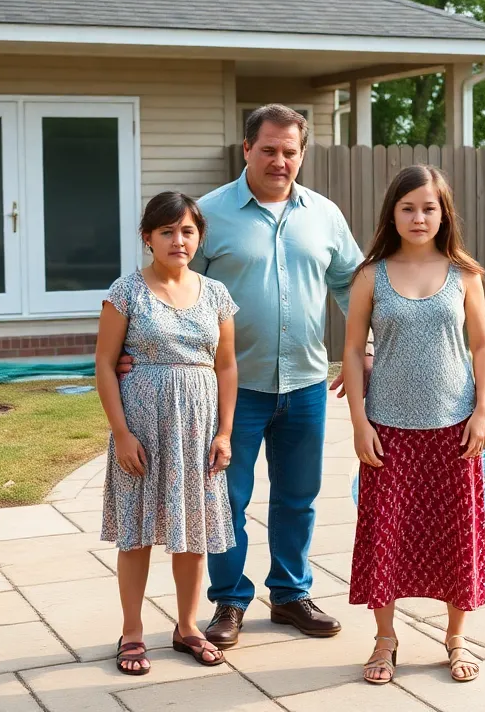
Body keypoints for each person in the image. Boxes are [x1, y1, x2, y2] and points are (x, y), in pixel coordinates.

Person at [119, 104, 370, 648]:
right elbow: (170, 282)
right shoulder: (208, 215)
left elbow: (353, 284)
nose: (280, 160)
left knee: (299, 495)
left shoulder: (324, 215)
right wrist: (136, 349)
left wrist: (364, 346)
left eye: (290, 151)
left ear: (302, 153)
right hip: (230, 389)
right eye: (269, 149)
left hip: (305, 381)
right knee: (225, 498)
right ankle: (229, 601)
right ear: (247, 149)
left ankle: (291, 595)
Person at [342, 164, 485, 685]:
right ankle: (385, 640)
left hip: (454, 427)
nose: (418, 216)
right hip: (388, 429)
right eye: (408, 207)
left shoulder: (465, 275)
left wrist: (482, 411)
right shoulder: (370, 275)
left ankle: (456, 637)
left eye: (429, 207)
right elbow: (351, 350)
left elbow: (481, 346)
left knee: (456, 535)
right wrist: (359, 422)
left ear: (443, 212)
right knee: (386, 534)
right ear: (393, 212)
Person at [96, 191, 238, 676]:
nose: (178, 240)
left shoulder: (216, 294)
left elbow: (226, 365)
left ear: (199, 235)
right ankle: (132, 632)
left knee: (191, 530)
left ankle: (187, 626)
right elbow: (102, 364)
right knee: (136, 532)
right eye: (167, 231)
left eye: (187, 231)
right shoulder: (126, 292)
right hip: (143, 426)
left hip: (198, 429)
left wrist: (225, 432)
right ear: (147, 238)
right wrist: (121, 432)